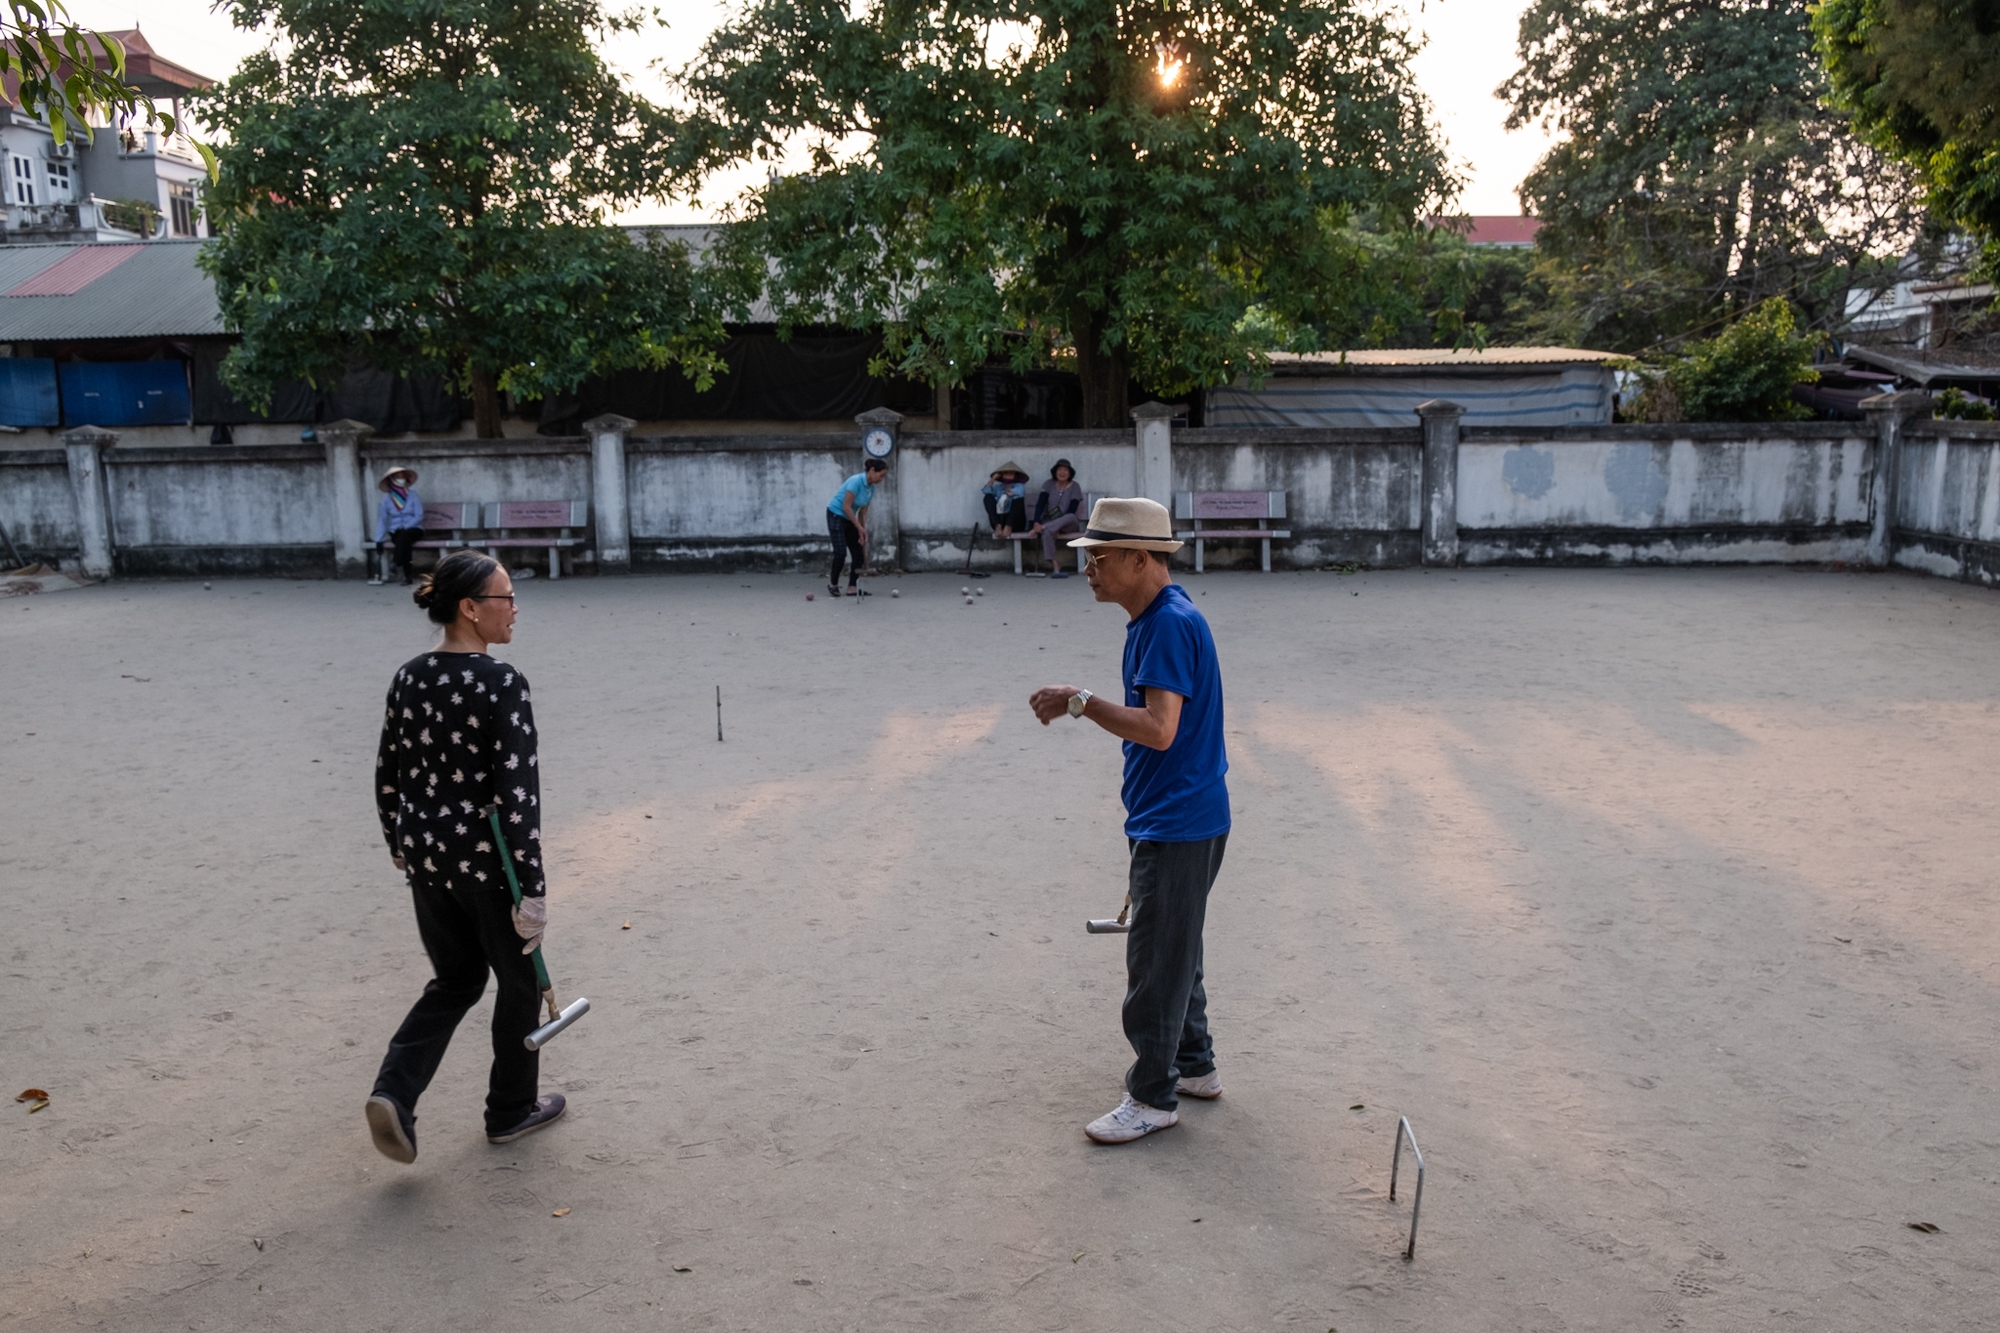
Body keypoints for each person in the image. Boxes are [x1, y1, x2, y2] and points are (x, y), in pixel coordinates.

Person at [1029, 497, 1230, 1144]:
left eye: (1100, 556)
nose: (1086, 566)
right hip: (1183, 815)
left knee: (1154, 960)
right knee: (1179, 948)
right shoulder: (1158, 618)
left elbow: (1160, 729)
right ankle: (1194, 1064)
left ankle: (1152, 1095)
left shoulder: (1167, 624)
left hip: (1179, 821)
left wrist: (1080, 702)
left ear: (1141, 559)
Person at [365, 549, 566, 1164]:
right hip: (489, 864)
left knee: (455, 979)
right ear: (470, 609)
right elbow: (517, 794)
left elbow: (388, 771)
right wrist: (532, 890)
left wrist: (399, 843)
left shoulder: (408, 675)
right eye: (504, 599)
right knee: (517, 983)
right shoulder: (502, 682)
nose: (514, 610)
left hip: (427, 860)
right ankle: (510, 1110)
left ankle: (394, 1094)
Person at [827, 458, 888, 598]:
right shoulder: (855, 481)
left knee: (858, 552)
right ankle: (833, 584)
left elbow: (863, 512)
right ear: (872, 471)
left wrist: (862, 530)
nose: (882, 479)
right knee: (840, 552)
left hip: (850, 518)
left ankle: (852, 587)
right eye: (881, 475)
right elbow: (846, 507)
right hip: (836, 515)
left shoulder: (871, 489)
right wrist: (858, 526)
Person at [1026, 458, 1085, 577]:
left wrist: (1057, 525)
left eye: (1065, 470)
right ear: (1055, 471)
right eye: (1060, 469)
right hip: (1050, 522)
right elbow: (1040, 504)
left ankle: (1042, 527)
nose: (1062, 472)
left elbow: (1072, 509)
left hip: (1068, 523)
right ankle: (1055, 566)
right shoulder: (1048, 484)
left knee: (1069, 516)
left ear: (1070, 473)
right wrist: (1036, 522)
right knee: (1047, 531)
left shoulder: (1075, 486)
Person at [373, 465, 425, 587]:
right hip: (396, 531)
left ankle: (395, 563)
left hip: (414, 529)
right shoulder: (386, 500)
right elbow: (383, 520)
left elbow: (419, 515)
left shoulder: (413, 495)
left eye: (403, 477)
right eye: (398, 477)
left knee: (404, 536)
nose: (401, 479)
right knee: (404, 541)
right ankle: (407, 576)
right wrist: (378, 540)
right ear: (391, 480)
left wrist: (406, 526)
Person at [981, 462, 1031, 537]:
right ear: (1001, 475)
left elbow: (1013, 494)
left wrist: (1004, 496)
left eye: (1011, 473)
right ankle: (997, 525)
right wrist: (993, 479)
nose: (1008, 475)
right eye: (1005, 473)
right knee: (988, 497)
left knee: (1018, 500)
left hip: (1015, 523)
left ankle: (1008, 527)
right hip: (1001, 521)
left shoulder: (1019, 486)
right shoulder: (998, 488)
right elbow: (985, 490)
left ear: (1015, 476)